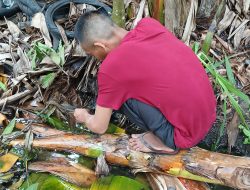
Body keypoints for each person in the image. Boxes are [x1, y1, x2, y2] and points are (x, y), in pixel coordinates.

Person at [73, 10, 216, 154]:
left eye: (92, 53)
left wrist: (85, 117)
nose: (94, 58)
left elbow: (99, 127)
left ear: (100, 46)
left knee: (121, 99)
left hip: (186, 136)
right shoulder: (149, 25)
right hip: (209, 114)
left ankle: (166, 143)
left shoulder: (111, 68)